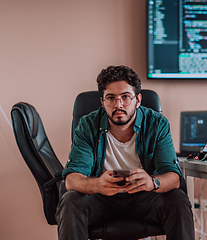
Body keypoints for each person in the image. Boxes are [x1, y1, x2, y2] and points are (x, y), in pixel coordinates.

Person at [55, 65, 195, 240]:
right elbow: (71, 179)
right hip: (101, 199)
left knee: (178, 199)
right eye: (111, 98)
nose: (118, 104)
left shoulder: (157, 124)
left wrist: (152, 182)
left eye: (125, 97)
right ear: (102, 101)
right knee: (70, 201)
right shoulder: (87, 125)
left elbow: (173, 177)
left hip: (145, 199)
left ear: (138, 100)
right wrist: (98, 184)